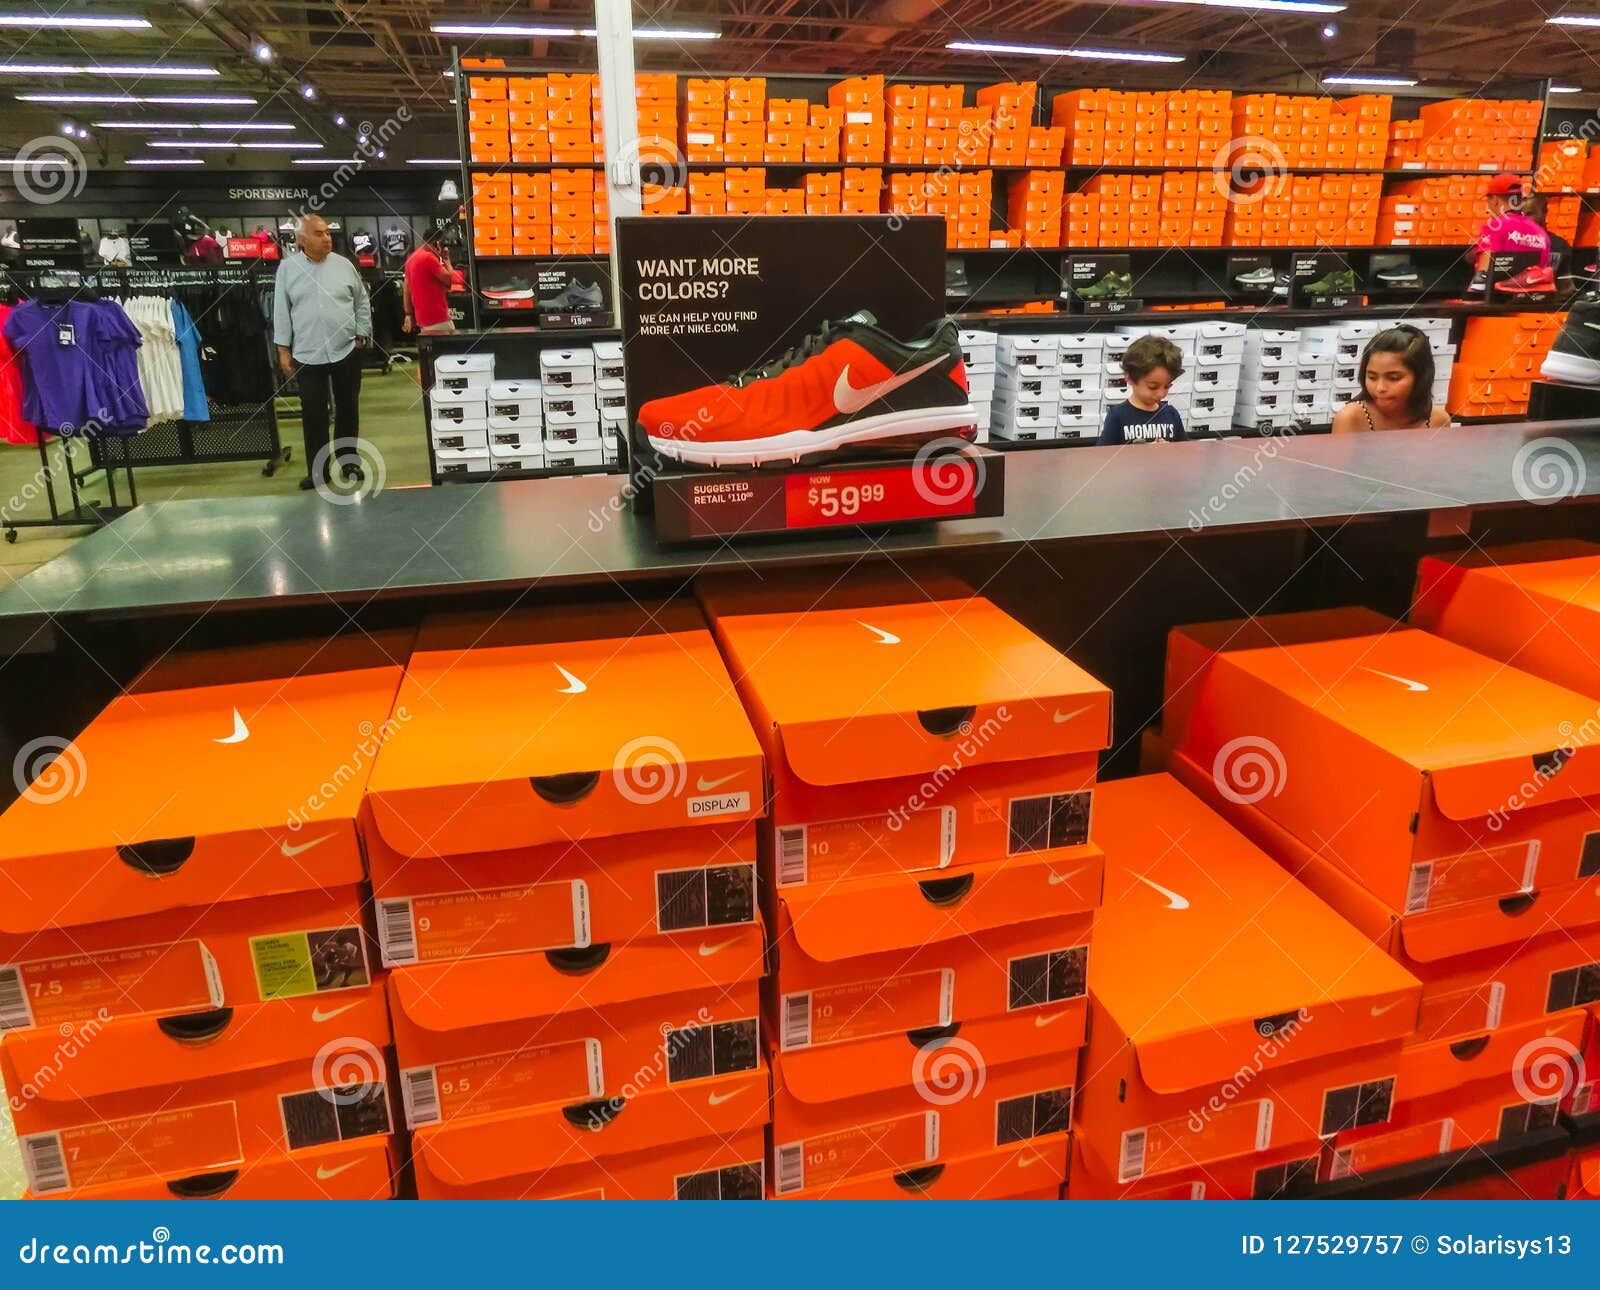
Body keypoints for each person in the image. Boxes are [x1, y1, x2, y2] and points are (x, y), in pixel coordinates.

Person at [274, 212, 372, 490]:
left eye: (328, 233)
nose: (327, 238)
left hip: (346, 350)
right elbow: (281, 311)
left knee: (348, 408)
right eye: (319, 233)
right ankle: (318, 471)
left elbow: (361, 301)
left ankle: (348, 460)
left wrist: (362, 335)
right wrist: (283, 350)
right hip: (307, 353)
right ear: (302, 240)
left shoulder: (344, 265)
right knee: (313, 413)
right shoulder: (287, 269)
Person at [1331, 326, 1452, 434]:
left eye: (1393, 378)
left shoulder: (1439, 419)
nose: (1380, 388)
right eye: (1372, 377)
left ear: (1421, 376)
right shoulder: (1349, 417)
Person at [1469, 173, 1550, 293]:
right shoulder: (1541, 234)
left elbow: (1481, 280)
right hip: (1529, 303)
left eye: (1488, 200)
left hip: (1497, 303)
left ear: (1495, 200)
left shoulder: (1495, 226)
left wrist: (1470, 298)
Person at [1098, 335, 1187, 444]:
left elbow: (1184, 452)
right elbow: (1103, 456)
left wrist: (1170, 450)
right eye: (1153, 387)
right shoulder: (1118, 415)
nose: (1161, 394)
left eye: (1167, 386)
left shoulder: (1171, 414)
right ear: (1129, 378)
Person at [403, 228, 455, 335]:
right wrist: (446, 260)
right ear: (435, 243)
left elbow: (406, 289)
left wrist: (409, 314)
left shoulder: (411, 258)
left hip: (422, 319)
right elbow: (450, 279)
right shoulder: (429, 258)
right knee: (451, 349)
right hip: (438, 317)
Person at [1520, 193, 1572, 279]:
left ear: (1545, 212)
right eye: (1520, 215)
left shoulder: (1559, 246)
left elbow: (1567, 285)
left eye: (1529, 213)